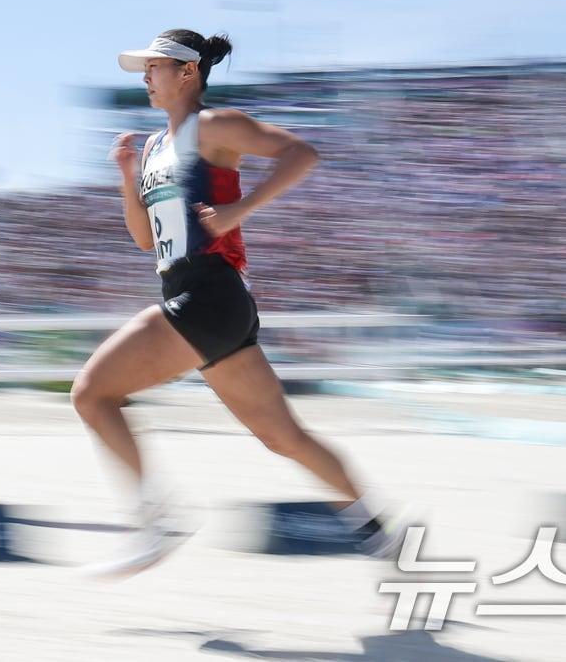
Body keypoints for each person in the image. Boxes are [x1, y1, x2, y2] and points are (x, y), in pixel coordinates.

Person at [74, 29, 400, 576]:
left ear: (187, 72)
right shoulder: (153, 148)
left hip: (208, 294)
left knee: (91, 394)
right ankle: (379, 533)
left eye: (154, 67)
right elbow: (145, 239)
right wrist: (127, 178)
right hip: (207, 303)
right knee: (283, 436)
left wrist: (239, 210)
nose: (146, 77)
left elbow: (301, 153)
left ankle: (155, 521)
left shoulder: (215, 125)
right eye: (144, 70)